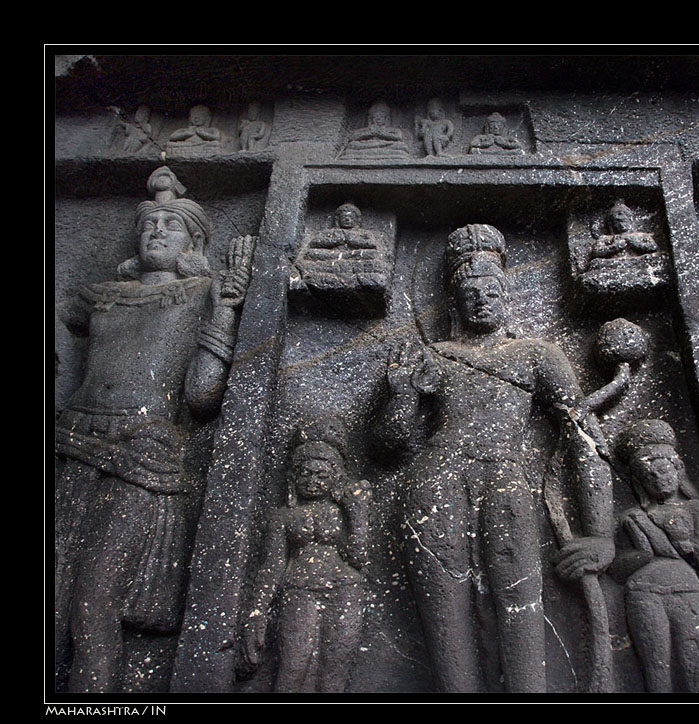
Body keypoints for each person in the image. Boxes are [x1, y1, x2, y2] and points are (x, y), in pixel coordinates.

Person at [375, 224, 614, 692]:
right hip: (435, 483)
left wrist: (601, 533)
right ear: (454, 303)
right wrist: (401, 395)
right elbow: (388, 446)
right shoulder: (433, 355)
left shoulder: (535, 355)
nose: (482, 299)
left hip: (506, 481)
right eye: (470, 292)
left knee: (521, 605)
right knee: (446, 620)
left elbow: (586, 437)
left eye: (492, 290)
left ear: (508, 297)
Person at [55, 166, 255, 692]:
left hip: (143, 454)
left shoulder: (200, 293)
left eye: (171, 224)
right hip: (72, 441)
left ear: (194, 241)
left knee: (94, 599)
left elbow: (202, 396)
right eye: (149, 224)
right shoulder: (98, 296)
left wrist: (227, 310)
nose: (157, 231)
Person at [237, 421, 370, 692]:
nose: (312, 482)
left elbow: (358, 557)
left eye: (321, 476)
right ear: (294, 477)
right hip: (299, 590)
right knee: (293, 665)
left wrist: (358, 515)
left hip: (345, 590)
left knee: (335, 669)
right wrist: (257, 609)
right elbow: (273, 565)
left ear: (335, 477)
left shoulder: (343, 510)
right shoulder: (284, 517)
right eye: (305, 475)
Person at [610, 420, 699, 693]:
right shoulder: (634, 517)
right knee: (657, 672)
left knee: (696, 669)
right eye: (650, 477)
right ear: (640, 483)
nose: (659, 480)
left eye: (663, 471)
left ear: (677, 469)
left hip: (686, 590)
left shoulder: (695, 508)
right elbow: (617, 567)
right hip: (643, 592)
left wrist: (681, 540)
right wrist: (643, 552)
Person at [587, 201, 658, 263]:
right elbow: (596, 252)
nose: (621, 224)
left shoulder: (641, 236)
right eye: (617, 222)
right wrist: (615, 247)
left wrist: (636, 244)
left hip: (638, 260)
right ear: (611, 224)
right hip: (612, 263)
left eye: (624, 221)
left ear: (630, 220)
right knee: (595, 262)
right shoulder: (605, 238)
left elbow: (653, 247)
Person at [340, 101, 409, 160]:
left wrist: (382, 134)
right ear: (371, 118)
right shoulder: (366, 129)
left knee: (400, 146)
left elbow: (398, 137)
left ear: (386, 118)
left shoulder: (393, 130)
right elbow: (353, 137)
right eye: (376, 117)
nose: (378, 119)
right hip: (368, 145)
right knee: (352, 145)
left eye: (381, 117)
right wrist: (369, 133)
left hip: (386, 145)